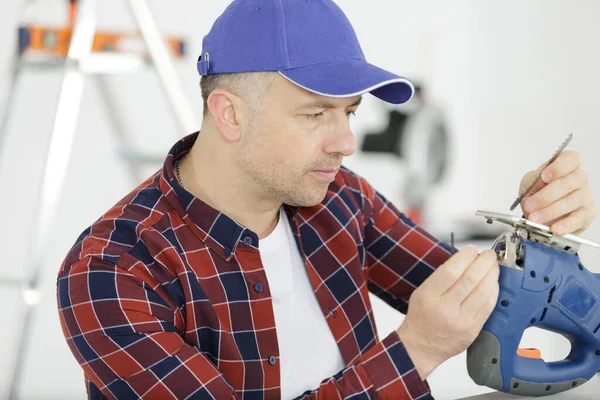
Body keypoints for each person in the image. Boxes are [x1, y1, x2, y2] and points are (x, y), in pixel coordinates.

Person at [56, 1, 596, 399]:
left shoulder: (340, 200)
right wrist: (416, 352)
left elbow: (482, 303)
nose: (346, 143)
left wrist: (541, 234)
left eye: (350, 113)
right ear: (230, 115)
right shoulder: (112, 273)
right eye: (315, 114)